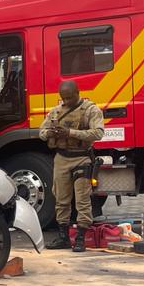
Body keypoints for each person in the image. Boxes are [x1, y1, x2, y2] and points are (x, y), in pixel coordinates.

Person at [38, 79, 104, 252]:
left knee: (82, 200)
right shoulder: (56, 112)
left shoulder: (90, 110)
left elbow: (98, 133)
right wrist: (50, 133)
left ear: (77, 93)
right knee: (61, 199)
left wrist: (70, 132)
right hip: (61, 158)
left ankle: (81, 238)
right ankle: (63, 237)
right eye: (63, 98)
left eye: (69, 98)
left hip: (82, 158)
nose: (66, 102)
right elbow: (42, 133)